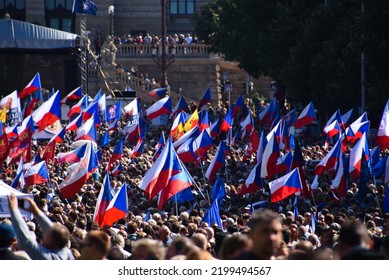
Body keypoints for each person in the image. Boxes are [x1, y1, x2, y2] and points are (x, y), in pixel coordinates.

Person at [8, 193, 74, 260]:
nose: (44, 233)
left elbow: (26, 239)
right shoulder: (66, 253)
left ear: (49, 240)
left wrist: (14, 210)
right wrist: (35, 210)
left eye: (45, 233)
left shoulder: (47, 258)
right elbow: (54, 231)